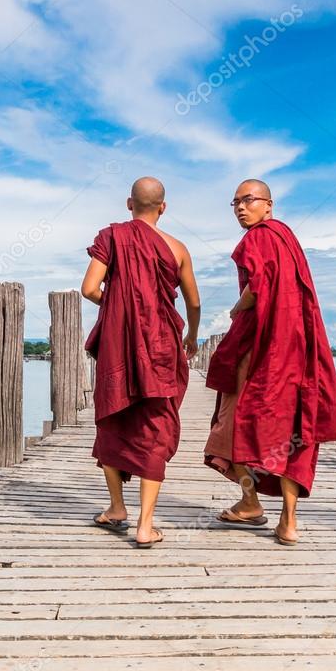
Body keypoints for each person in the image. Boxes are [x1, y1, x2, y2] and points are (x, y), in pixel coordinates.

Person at [204, 179, 336, 545]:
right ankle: (288, 522)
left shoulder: (261, 236)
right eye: (235, 202)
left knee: (234, 422)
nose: (240, 207)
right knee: (294, 430)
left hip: (263, 347)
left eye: (248, 200)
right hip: (299, 349)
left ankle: (250, 502)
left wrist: (236, 308)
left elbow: (259, 284)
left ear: (269, 204)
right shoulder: (287, 238)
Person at [80, 176, 201, 547]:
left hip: (118, 343)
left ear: (129, 204)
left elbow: (89, 289)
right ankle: (145, 526)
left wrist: (121, 307)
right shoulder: (177, 248)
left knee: (113, 416)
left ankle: (117, 508)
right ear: (163, 208)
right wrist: (192, 336)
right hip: (163, 345)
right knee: (155, 426)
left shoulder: (112, 237)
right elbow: (194, 303)